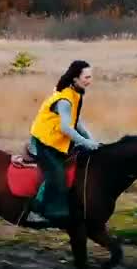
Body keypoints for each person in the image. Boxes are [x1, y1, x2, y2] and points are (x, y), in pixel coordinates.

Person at [26, 60, 100, 224]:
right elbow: (66, 128)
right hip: (45, 142)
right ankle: (35, 212)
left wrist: (90, 139)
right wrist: (86, 143)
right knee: (57, 175)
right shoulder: (65, 99)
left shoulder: (76, 94)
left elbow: (76, 121)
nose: (90, 80)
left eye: (90, 77)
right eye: (86, 77)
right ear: (75, 79)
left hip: (58, 141)